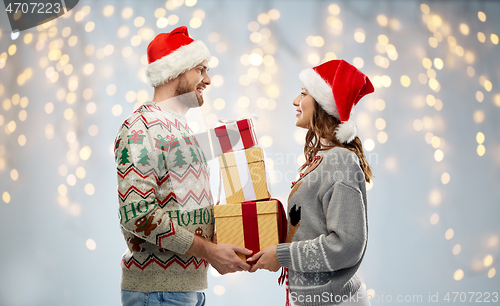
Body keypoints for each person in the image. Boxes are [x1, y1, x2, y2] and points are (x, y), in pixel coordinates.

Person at [114, 26, 252, 306]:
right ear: (175, 70)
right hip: (159, 293)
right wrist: (209, 252)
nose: (208, 80)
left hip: (187, 291)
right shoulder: (141, 128)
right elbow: (138, 214)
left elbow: (186, 210)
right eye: (201, 69)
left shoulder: (181, 129)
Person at [248, 59, 374, 306]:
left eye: (304, 94)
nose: (295, 101)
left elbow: (347, 245)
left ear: (322, 104)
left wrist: (282, 255)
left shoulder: (339, 160)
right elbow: (310, 228)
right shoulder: (324, 158)